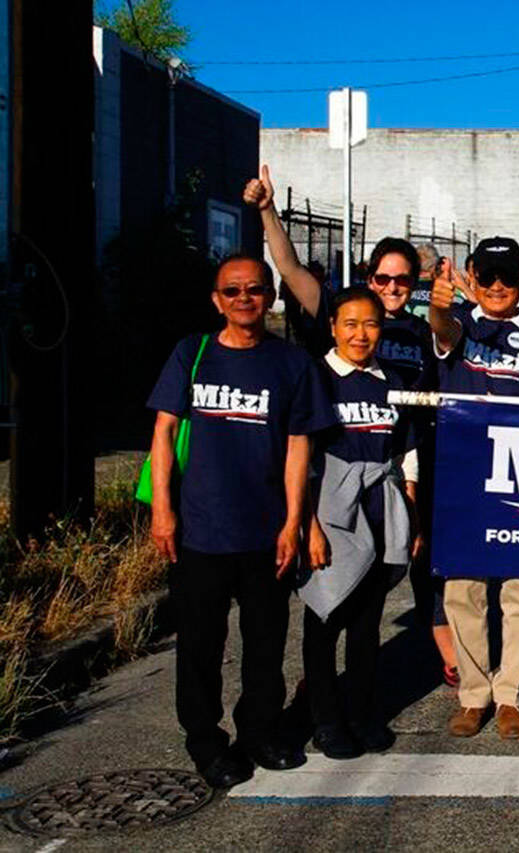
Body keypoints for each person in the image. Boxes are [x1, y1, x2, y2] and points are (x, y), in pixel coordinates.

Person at [243, 166, 460, 688]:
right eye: (381, 278)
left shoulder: (418, 325)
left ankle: (446, 652)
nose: (390, 288)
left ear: (414, 285)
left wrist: (446, 308)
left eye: (401, 279)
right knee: (335, 584)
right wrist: (268, 211)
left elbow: (454, 346)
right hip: (343, 464)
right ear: (366, 279)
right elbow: (292, 270)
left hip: (407, 455)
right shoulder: (344, 314)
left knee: (418, 560)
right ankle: (322, 691)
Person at [147, 255, 335, 789]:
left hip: (264, 532)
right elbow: (163, 434)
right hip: (200, 532)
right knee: (200, 647)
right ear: (216, 299)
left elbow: (301, 446)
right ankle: (205, 743)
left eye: (254, 289)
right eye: (232, 291)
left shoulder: (292, 364)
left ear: (271, 295)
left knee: (265, 646)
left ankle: (259, 732)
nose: (244, 298)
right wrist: (163, 510)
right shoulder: (192, 353)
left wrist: (294, 521)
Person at [429, 237, 519, 739]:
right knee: (463, 591)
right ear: (472, 276)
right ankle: (473, 695)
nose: (496, 287)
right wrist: (440, 310)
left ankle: (511, 694)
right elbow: (443, 330)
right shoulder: (461, 323)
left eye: (507, 277)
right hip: (464, 476)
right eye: (485, 277)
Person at [300, 288, 420, 759]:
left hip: (379, 508)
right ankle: (325, 720)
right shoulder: (315, 377)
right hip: (329, 511)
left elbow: (406, 450)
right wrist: (306, 522)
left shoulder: (393, 379)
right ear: (333, 326)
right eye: (350, 323)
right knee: (325, 617)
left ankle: (363, 714)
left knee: (366, 626)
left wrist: (409, 512)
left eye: (370, 324)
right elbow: (299, 456)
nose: (360, 334)